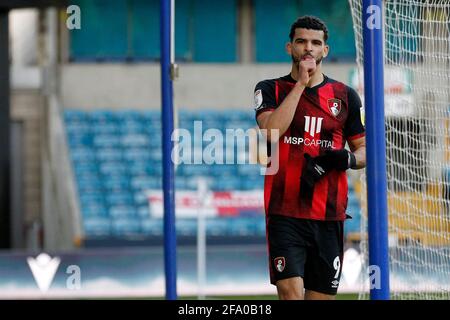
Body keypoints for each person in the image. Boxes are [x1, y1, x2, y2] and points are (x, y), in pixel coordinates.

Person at [253, 16, 366, 300]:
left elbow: (365, 151)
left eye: (316, 43)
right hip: (284, 213)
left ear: (325, 51)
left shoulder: (345, 96)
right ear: (289, 47)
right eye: (301, 41)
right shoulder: (270, 89)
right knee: (291, 296)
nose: (308, 48)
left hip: (329, 217)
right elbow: (271, 132)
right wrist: (301, 84)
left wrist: (345, 159)